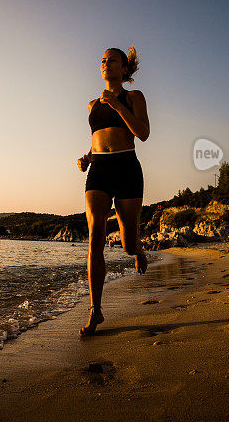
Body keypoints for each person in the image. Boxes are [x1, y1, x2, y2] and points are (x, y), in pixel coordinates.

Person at [77, 46, 150, 336]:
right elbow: (99, 139)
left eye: (113, 60)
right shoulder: (92, 104)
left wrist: (118, 105)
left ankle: (138, 249)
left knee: (127, 244)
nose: (106, 64)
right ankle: (96, 310)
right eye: (103, 61)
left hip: (127, 167)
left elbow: (142, 133)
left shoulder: (133, 97)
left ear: (124, 70)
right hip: (99, 170)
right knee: (95, 234)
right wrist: (87, 157)